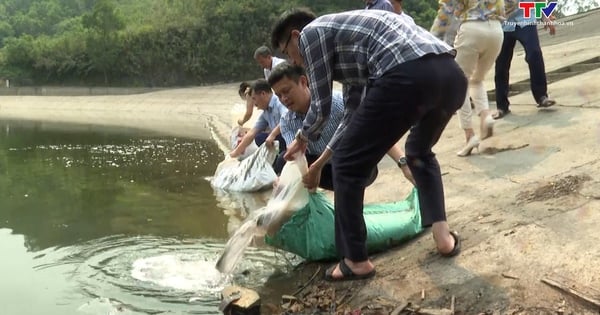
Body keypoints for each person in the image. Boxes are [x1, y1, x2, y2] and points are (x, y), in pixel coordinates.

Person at [271, 8, 467, 281]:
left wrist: (303, 139)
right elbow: (352, 113)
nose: (292, 59)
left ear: (295, 36)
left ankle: (355, 260)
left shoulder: (311, 34)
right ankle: (444, 238)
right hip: (450, 74)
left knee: (346, 164)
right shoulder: (351, 47)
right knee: (419, 152)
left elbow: (321, 105)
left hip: (404, 73)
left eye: (286, 51)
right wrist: (312, 152)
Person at [267, 62, 415, 190]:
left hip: (358, 167)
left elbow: (377, 132)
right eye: (279, 95)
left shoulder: (338, 103)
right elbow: (297, 158)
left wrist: (403, 163)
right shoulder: (286, 122)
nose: (284, 99)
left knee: (344, 164)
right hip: (324, 170)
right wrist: (284, 180)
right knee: (284, 160)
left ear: (303, 82)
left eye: (286, 91)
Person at [431, 0, 505, 157]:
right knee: (477, 79)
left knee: (459, 83)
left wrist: (431, 39)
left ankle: (469, 136)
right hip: (497, 30)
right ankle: (486, 116)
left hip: (472, 27)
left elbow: (446, 11)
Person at [493, 0, 556, 119]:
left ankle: (541, 96)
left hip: (526, 19)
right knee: (501, 64)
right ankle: (502, 106)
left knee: (534, 53)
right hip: (503, 24)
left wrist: (545, 17)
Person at [229, 79, 287, 158]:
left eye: (254, 98)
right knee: (259, 137)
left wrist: (273, 135)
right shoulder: (265, 112)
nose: (253, 103)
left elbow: (287, 118)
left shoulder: (279, 102)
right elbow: (252, 133)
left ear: (263, 94)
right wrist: (236, 152)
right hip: (281, 138)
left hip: (291, 138)